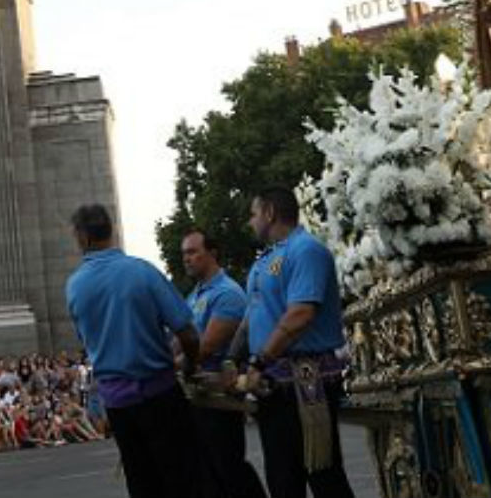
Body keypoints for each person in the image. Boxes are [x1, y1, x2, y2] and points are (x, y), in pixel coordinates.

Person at [64, 203, 207, 498]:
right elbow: (188, 333)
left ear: (82, 237)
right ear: (112, 230)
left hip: (118, 404)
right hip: (161, 395)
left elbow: (87, 340)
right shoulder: (142, 271)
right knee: (185, 480)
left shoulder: (75, 287)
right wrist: (191, 365)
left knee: (141, 483)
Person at [237, 186, 354, 498]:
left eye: (253, 214)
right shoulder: (264, 261)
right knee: (282, 480)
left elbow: (301, 314)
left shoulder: (306, 250)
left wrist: (259, 361)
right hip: (272, 386)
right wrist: (233, 360)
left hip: (304, 383)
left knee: (323, 475)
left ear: (270, 213)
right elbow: (251, 317)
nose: (250, 221)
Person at [182, 229, 268, 498]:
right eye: (184, 253)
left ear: (212, 253)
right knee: (208, 474)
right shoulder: (194, 295)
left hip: (219, 395)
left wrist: (164, 368)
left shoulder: (227, 293)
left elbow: (205, 347)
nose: (186, 258)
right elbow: (178, 342)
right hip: (199, 396)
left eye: (192, 252)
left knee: (228, 469)